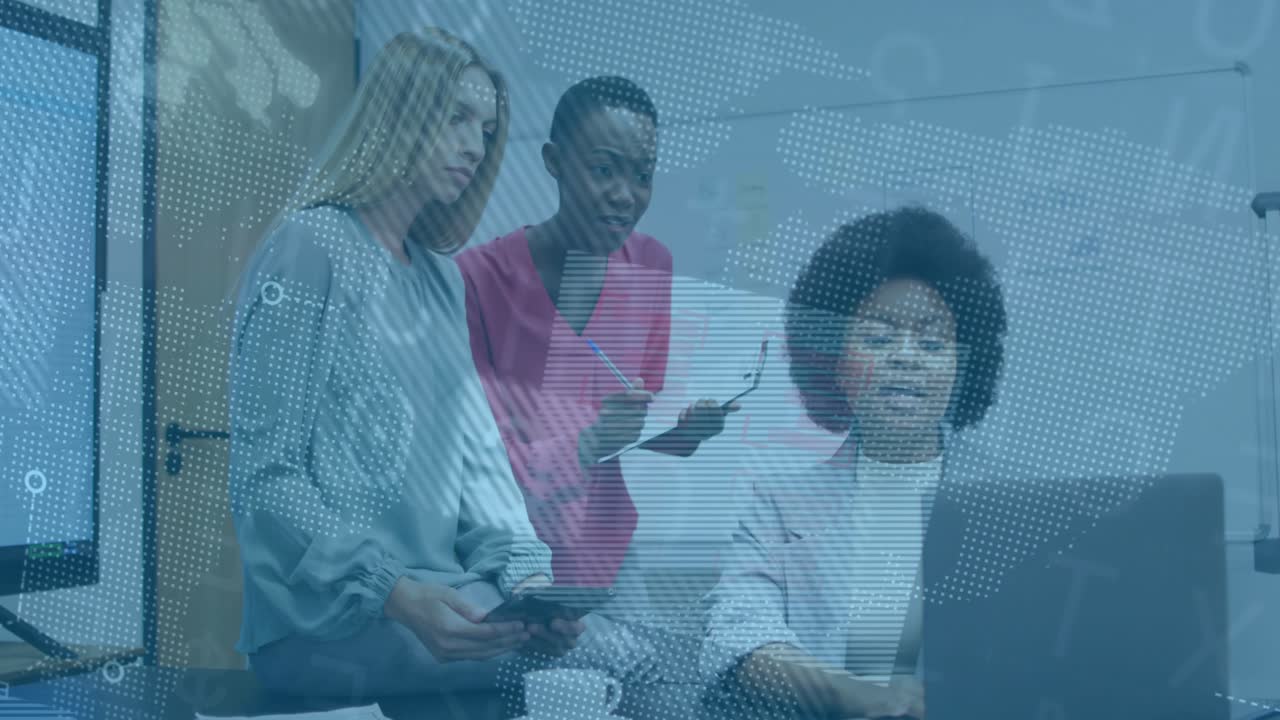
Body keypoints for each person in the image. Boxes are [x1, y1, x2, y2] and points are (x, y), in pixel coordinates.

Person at [228, 27, 581, 697]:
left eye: (486, 128)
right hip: (329, 621)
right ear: (398, 113)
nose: (475, 147)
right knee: (576, 676)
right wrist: (393, 591)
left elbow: (476, 466)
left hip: (442, 599)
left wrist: (531, 584)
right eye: (456, 118)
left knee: (606, 655)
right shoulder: (310, 247)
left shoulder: (442, 280)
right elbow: (265, 479)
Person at [700, 207, 1008, 719]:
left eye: (932, 342)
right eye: (878, 338)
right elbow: (736, 640)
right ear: (833, 361)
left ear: (962, 365)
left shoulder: (1010, 501)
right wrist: (851, 692)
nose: (906, 357)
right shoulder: (778, 503)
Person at [457, 75, 736, 595]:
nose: (625, 196)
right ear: (554, 161)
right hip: (506, 550)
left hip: (606, 548)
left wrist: (687, 431)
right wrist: (586, 444)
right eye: (604, 170)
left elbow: (638, 415)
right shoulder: (477, 279)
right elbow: (474, 455)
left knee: (647, 669)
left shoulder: (651, 266)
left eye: (643, 176)